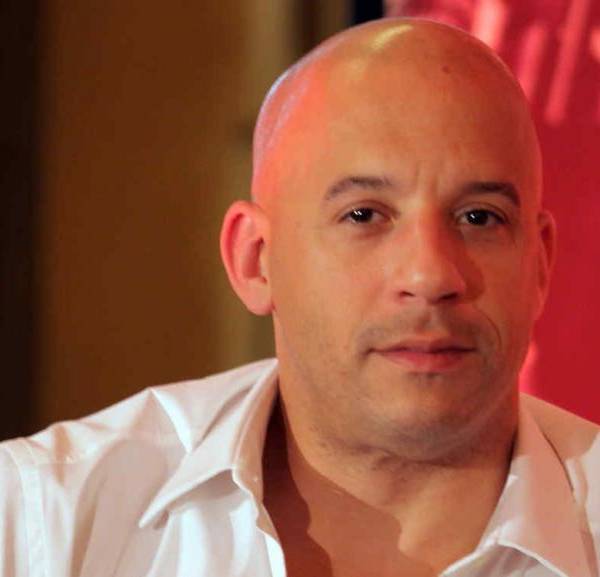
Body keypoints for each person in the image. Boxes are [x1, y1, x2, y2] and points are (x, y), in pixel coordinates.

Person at [1, 17, 598, 577]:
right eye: (364, 215)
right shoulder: (41, 522)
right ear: (255, 259)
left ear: (540, 263)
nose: (430, 274)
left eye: (479, 217)